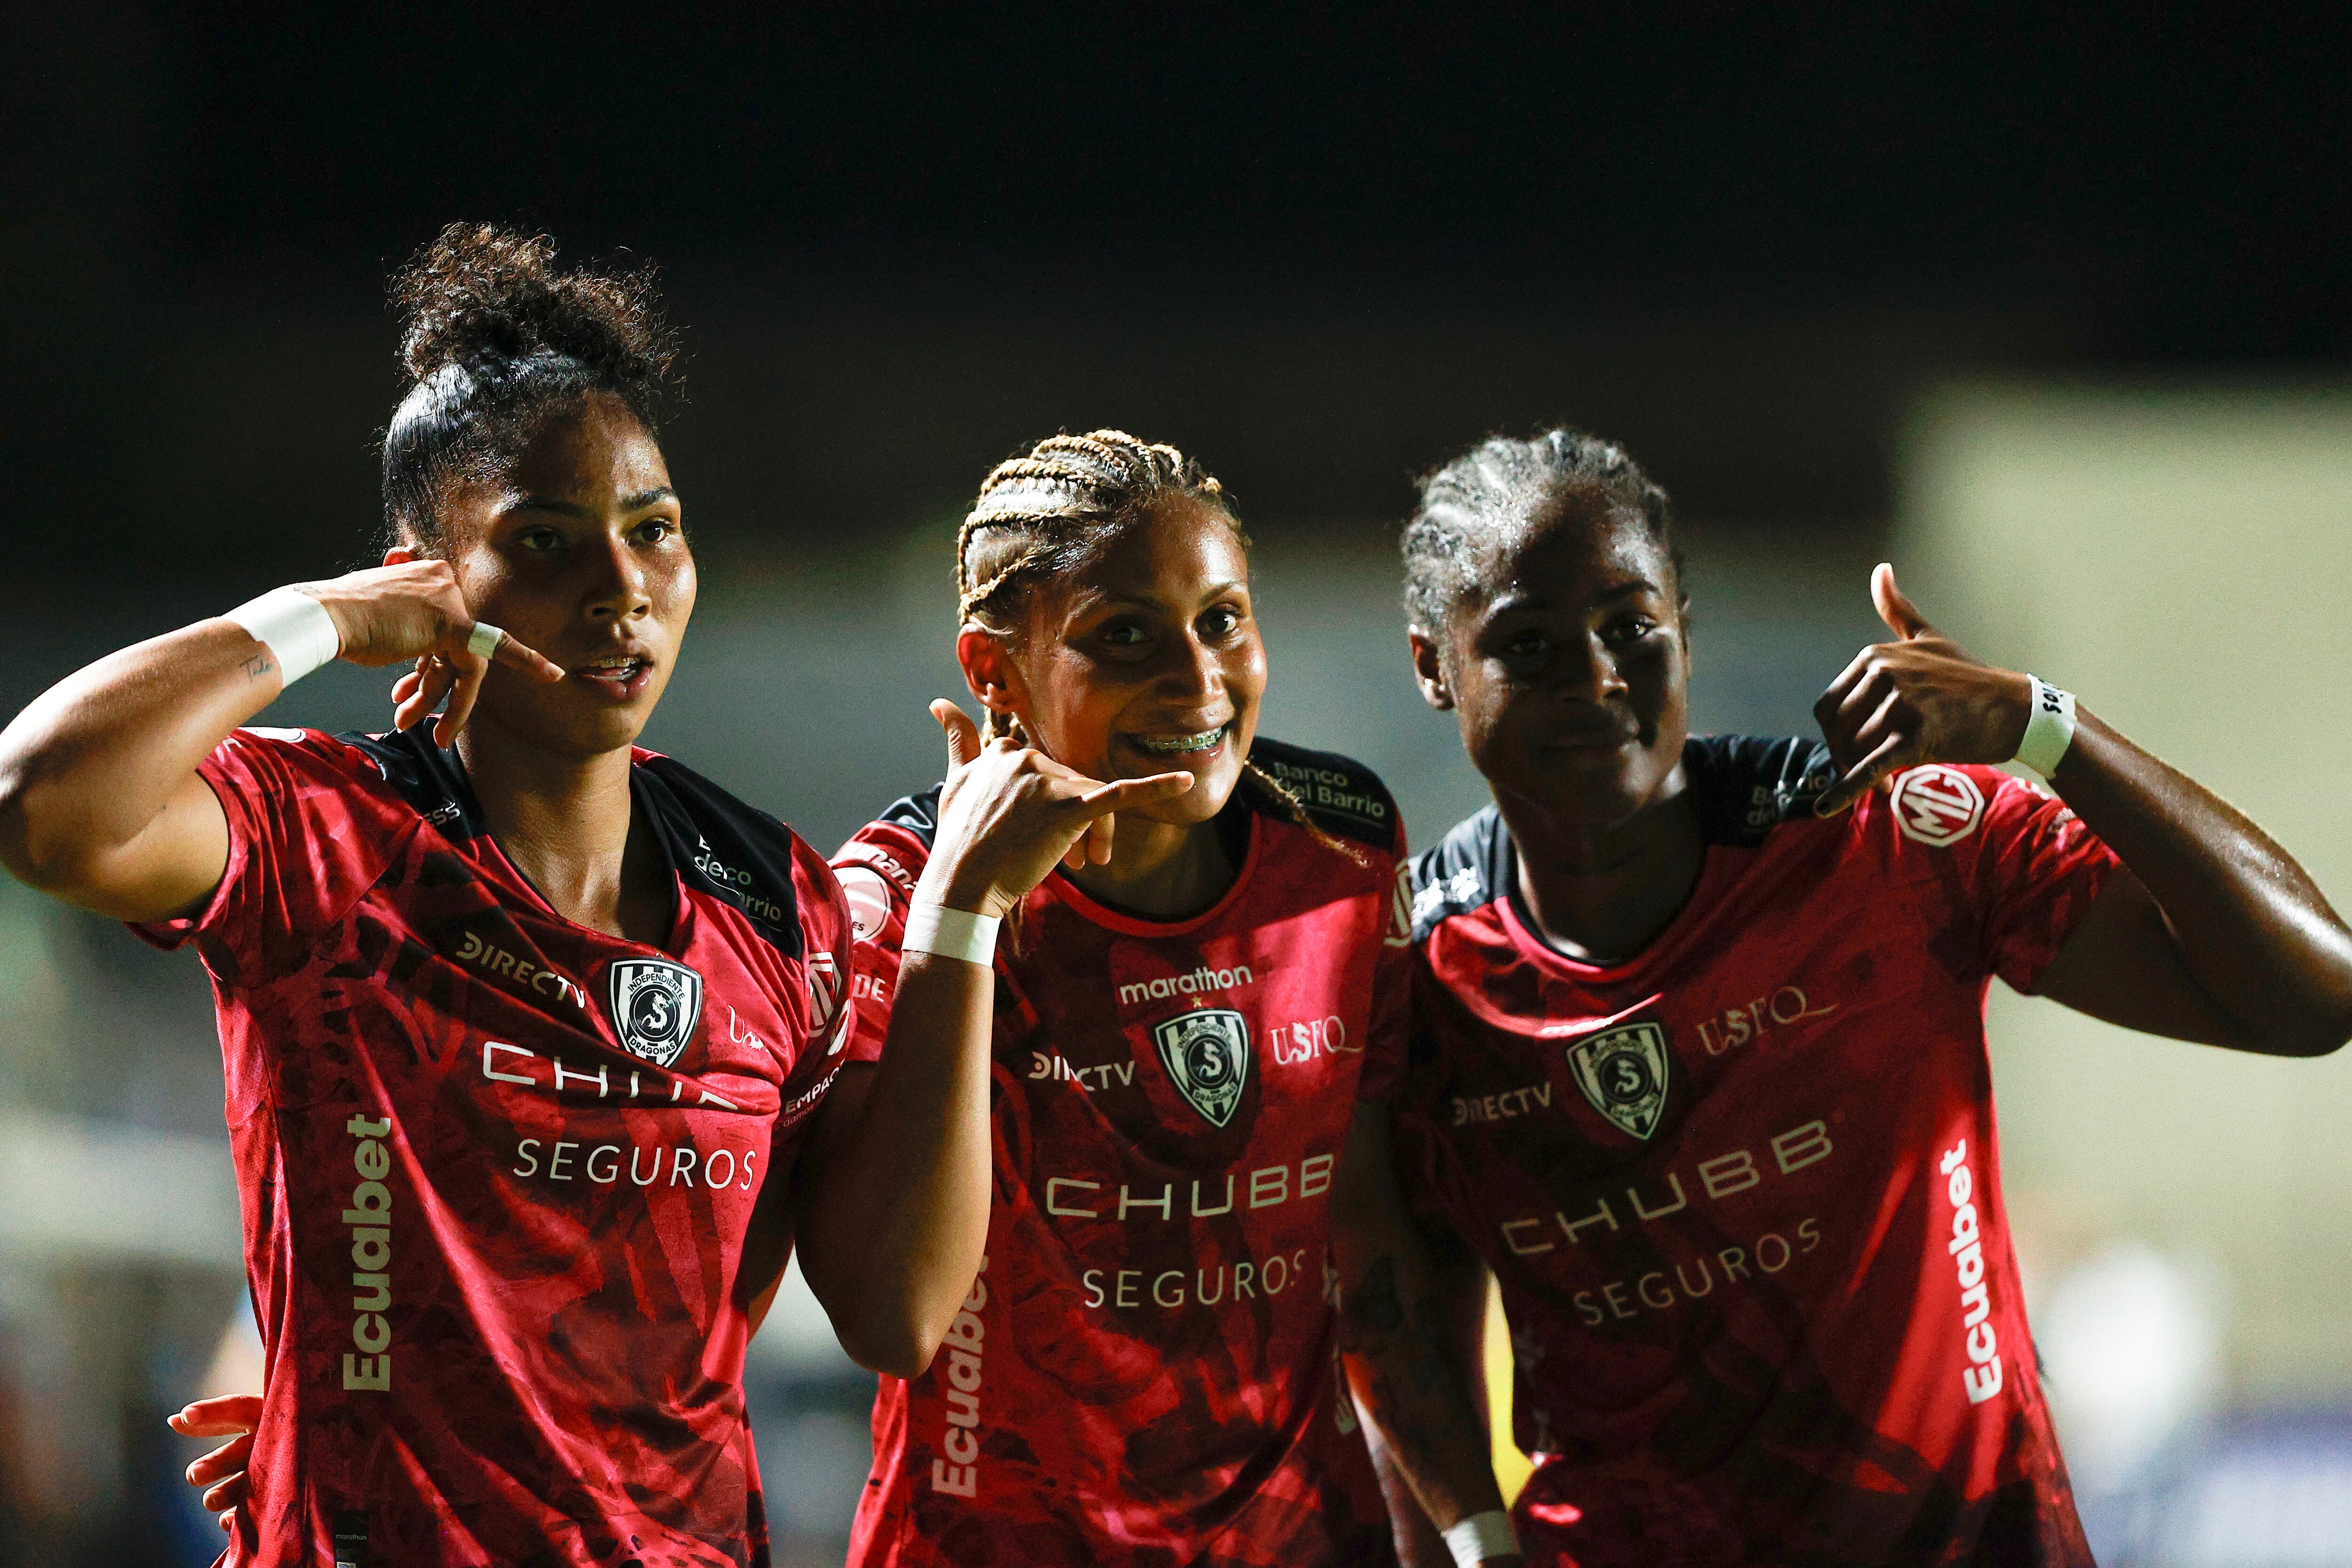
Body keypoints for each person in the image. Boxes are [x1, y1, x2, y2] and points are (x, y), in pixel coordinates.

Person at [0, 227, 1179, 1568]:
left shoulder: (774, 898)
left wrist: (959, 919)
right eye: (545, 541)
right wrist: (324, 613)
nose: (620, 587)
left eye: (653, 529)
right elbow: (40, 800)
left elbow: (898, 1309)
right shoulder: (330, 840)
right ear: (426, 574)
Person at [1377, 428, 2352, 1565]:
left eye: (1630, 628)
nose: (1594, 679)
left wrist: (2048, 730)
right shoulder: (1411, 976)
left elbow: (2314, 997)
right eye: (1527, 644)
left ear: (1684, 630)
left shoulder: (1886, 840)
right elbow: (1404, 1318)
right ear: (1433, 667)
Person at [829, 432, 1516, 1566]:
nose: (1199, 681)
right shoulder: (894, 894)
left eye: (1222, 620)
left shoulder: (1337, 843)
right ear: (992, 671)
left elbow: (1361, 1226)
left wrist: (1477, 1530)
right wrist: (965, 917)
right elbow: (894, 1315)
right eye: (1123, 636)